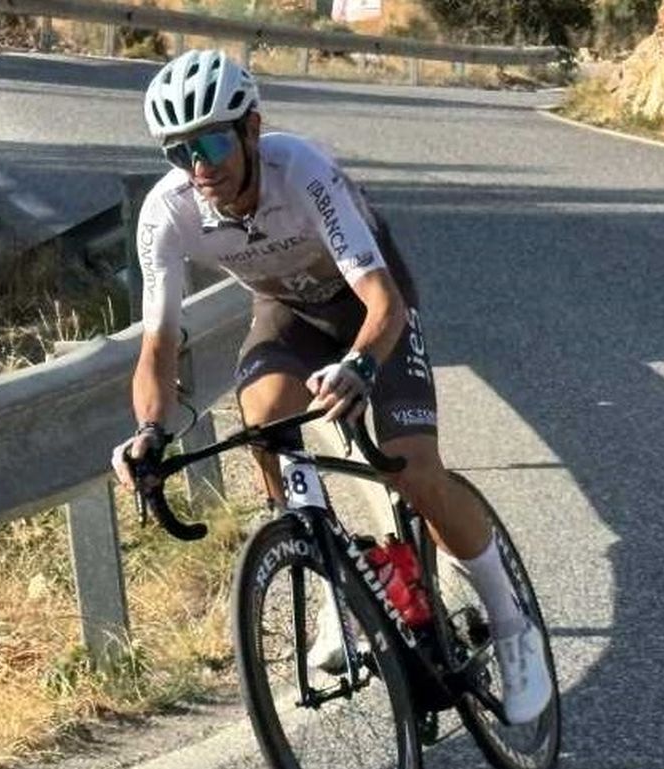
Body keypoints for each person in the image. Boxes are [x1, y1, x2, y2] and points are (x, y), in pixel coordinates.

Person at [108, 49, 553, 723]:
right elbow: (160, 345)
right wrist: (149, 431)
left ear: (251, 128)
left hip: (370, 304)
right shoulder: (166, 212)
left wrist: (363, 366)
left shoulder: (303, 170)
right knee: (265, 423)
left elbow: (383, 303)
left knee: (412, 468)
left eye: (212, 141)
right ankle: (335, 577)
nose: (200, 165)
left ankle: (512, 624)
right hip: (288, 313)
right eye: (180, 151)